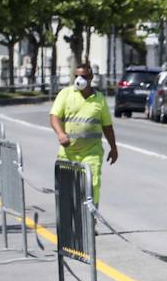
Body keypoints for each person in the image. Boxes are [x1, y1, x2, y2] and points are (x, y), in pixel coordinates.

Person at [49, 62, 119, 204]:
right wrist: (61, 134)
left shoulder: (99, 99)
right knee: (67, 191)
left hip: (91, 152)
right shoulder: (66, 94)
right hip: (68, 152)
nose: (79, 79)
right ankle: (68, 223)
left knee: (92, 186)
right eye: (76, 76)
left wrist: (113, 147)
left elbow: (107, 126)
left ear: (91, 77)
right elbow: (54, 116)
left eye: (83, 76)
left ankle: (90, 219)